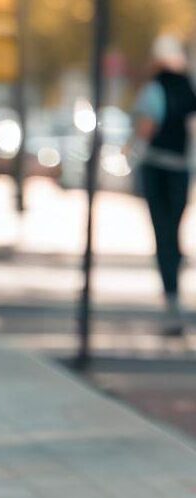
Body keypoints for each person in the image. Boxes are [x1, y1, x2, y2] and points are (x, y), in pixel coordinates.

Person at [134, 35, 196, 336]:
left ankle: (171, 294)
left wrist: (133, 150)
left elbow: (146, 127)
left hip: (157, 168)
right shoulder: (189, 90)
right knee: (173, 230)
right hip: (182, 169)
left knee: (163, 232)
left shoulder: (154, 89)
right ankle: (174, 285)